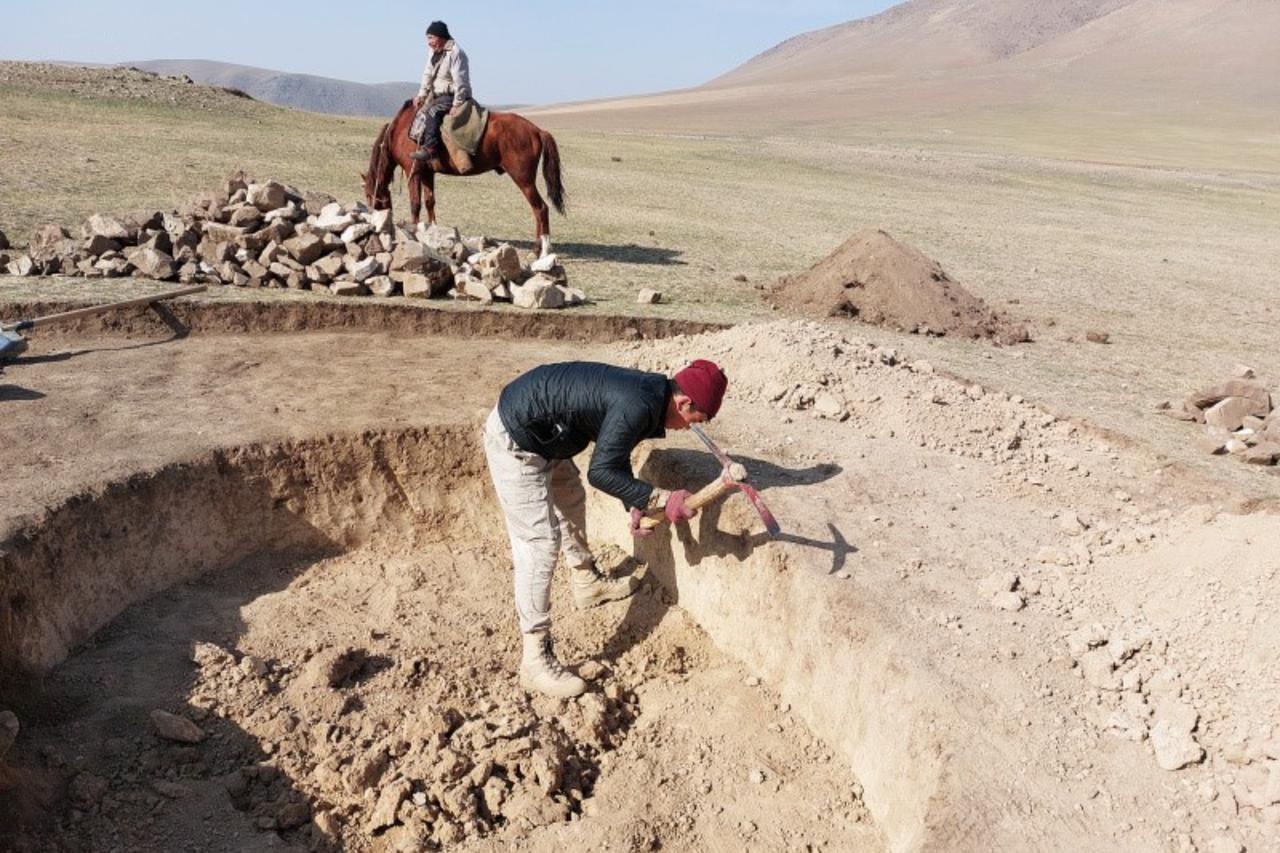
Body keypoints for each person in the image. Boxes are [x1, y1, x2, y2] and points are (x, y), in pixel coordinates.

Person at [483, 359, 729, 698]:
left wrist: (635, 502)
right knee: (540, 544)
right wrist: (659, 498)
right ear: (684, 402)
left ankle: (586, 582)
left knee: (570, 498)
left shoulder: (651, 396)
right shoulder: (640, 404)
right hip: (518, 437)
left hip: (548, 433)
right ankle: (535, 661)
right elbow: (600, 473)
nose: (689, 429)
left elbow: (614, 452)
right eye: (695, 421)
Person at [411, 21, 472, 162]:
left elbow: (460, 81)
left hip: (451, 96)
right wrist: (421, 95)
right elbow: (427, 74)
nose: (429, 42)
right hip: (435, 95)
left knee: (432, 112)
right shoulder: (433, 52)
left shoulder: (456, 53)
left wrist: (457, 104)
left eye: (431, 38)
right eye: (428, 38)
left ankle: (431, 149)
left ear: (441, 37)